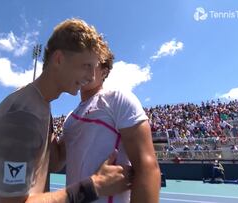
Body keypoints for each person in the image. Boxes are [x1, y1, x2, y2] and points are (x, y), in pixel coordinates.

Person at [0, 18, 131, 203]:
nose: (91, 76)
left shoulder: (41, 106)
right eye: (87, 66)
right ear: (59, 59)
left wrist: (75, 134)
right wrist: (95, 186)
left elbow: (52, 164)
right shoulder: (23, 116)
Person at [56, 50, 160, 202]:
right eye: (81, 64)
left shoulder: (117, 99)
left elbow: (148, 168)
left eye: (91, 64)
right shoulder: (71, 117)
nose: (84, 70)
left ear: (104, 72)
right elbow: (55, 161)